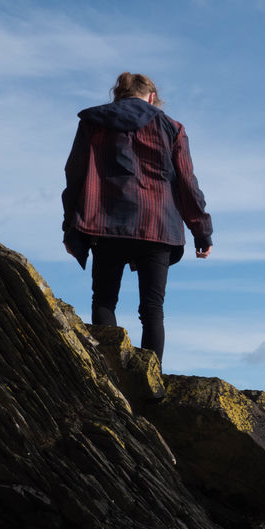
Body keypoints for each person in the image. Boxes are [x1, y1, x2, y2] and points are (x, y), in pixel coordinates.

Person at [62, 72, 213, 364]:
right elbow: (186, 183)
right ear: (152, 97)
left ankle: (110, 377)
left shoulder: (93, 123)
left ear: (117, 96)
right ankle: (151, 385)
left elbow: (75, 173)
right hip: (158, 225)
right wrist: (202, 231)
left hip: (105, 223)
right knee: (152, 310)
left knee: (104, 301)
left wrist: (70, 228)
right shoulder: (172, 127)